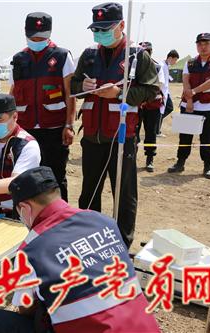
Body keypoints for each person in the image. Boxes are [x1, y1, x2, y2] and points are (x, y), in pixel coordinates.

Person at [0, 166, 160, 333]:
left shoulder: (32, 249)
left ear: (25, 208)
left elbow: (25, 308)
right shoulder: (102, 221)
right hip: (144, 326)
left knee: (0, 320)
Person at [70, 2, 159, 248]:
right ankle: (89, 238)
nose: (100, 34)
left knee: (124, 194)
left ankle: (122, 243)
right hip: (91, 137)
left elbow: (152, 90)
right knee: (89, 193)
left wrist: (120, 93)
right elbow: (74, 85)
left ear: (121, 25)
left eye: (105, 29)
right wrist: (82, 88)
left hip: (122, 138)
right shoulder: (88, 56)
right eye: (96, 30)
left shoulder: (137, 55)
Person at [10, 12, 76, 202]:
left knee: (55, 177)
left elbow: (69, 93)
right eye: (32, 37)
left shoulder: (62, 56)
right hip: (26, 130)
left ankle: (60, 221)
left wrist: (69, 125)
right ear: (25, 32)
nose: (36, 40)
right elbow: (13, 93)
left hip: (54, 130)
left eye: (41, 37)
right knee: (26, 178)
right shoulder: (19, 59)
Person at [168, 33, 210, 179]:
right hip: (189, 104)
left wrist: (194, 91)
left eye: (206, 43)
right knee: (185, 135)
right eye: (200, 44)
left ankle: (207, 165)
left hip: (208, 106)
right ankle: (180, 162)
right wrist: (190, 99)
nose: (203, 47)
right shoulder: (190, 62)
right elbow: (185, 81)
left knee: (206, 137)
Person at [135, 42, 165, 172]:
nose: (145, 53)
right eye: (142, 51)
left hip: (152, 105)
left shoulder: (157, 67)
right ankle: (131, 158)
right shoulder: (133, 66)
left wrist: (145, 98)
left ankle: (150, 159)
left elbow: (160, 85)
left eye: (147, 50)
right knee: (133, 132)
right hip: (136, 106)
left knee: (151, 132)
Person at [157, 49, 179, 136]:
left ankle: (156, 127)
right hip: (162, 92)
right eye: (175, 60)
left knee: (168, 108)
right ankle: (157, 131)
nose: (175, 62)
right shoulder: (161, 65)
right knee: (161, 110)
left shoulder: (166, 66)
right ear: (170, 58)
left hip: (166, 92)